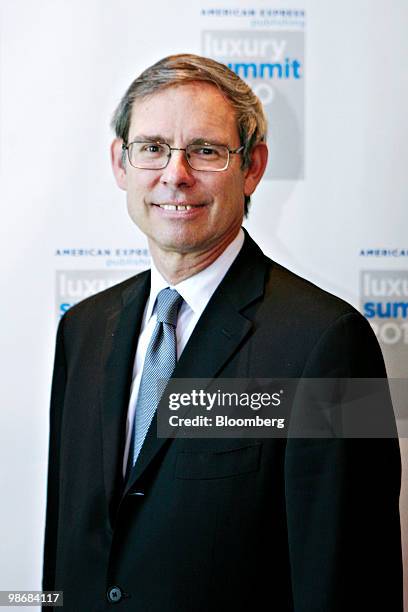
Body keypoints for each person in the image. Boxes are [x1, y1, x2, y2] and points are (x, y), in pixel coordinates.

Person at [42, 54, 403, 611]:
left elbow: (352, 581)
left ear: (253, 166)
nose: (175, 174)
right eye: (152, 148)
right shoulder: (82, 331)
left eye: (206, 150)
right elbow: (65, 556)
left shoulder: (333, 342)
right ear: (121, 163)